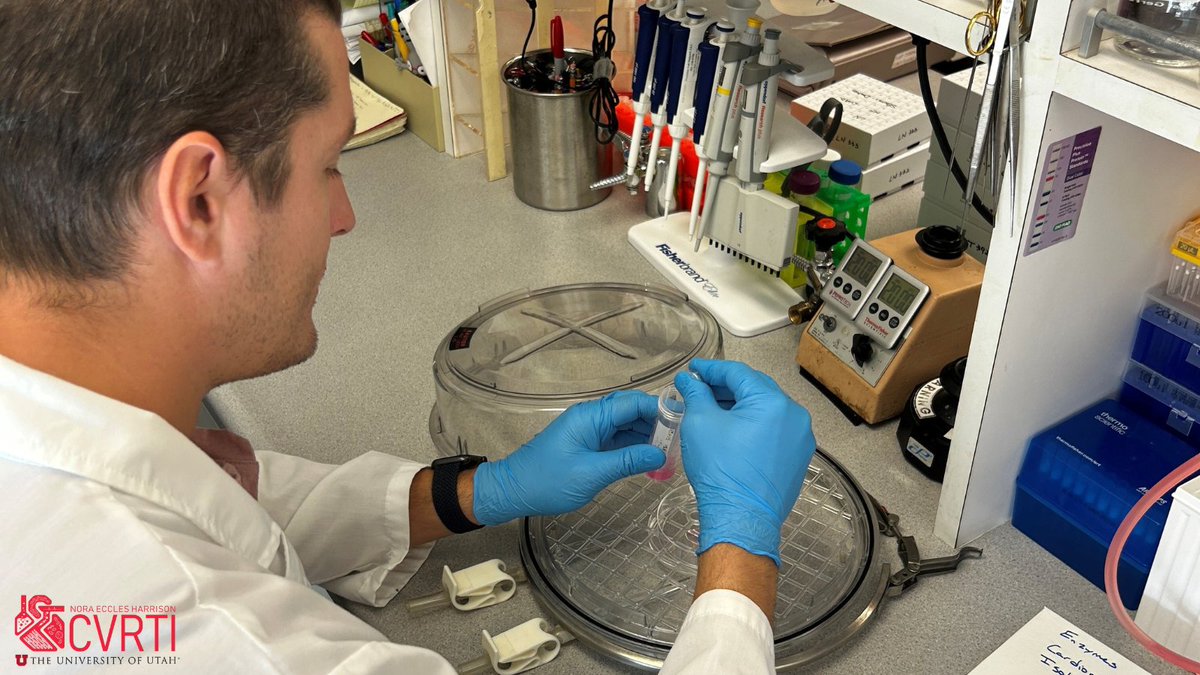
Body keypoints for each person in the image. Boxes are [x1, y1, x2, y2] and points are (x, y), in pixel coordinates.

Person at [0, 1, 816, 673]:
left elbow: (215, 511)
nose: (346, 216)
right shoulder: (209, 639)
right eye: (328, 165)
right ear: (200, 200)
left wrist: (475, 491)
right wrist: (744, 551)